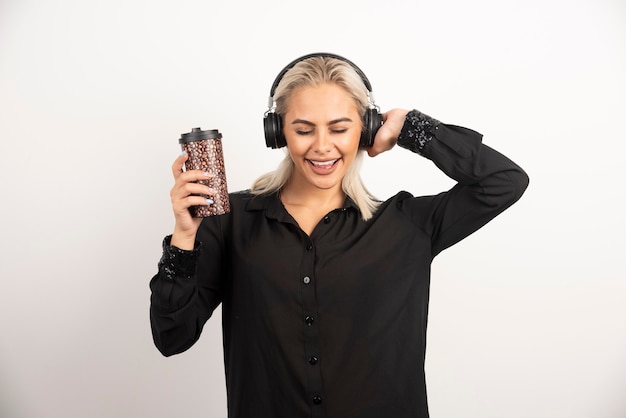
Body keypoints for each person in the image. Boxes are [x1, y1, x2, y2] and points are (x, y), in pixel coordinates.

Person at [149, 53, 529, 418]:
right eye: (303, 129)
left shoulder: (407, 225)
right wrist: (184, 238)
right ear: (278, 133)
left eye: (339, 128)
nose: (322, 146)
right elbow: (172, 337)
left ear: (365, 129)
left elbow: (504, 182)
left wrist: (407, 125)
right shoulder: (229, 223)